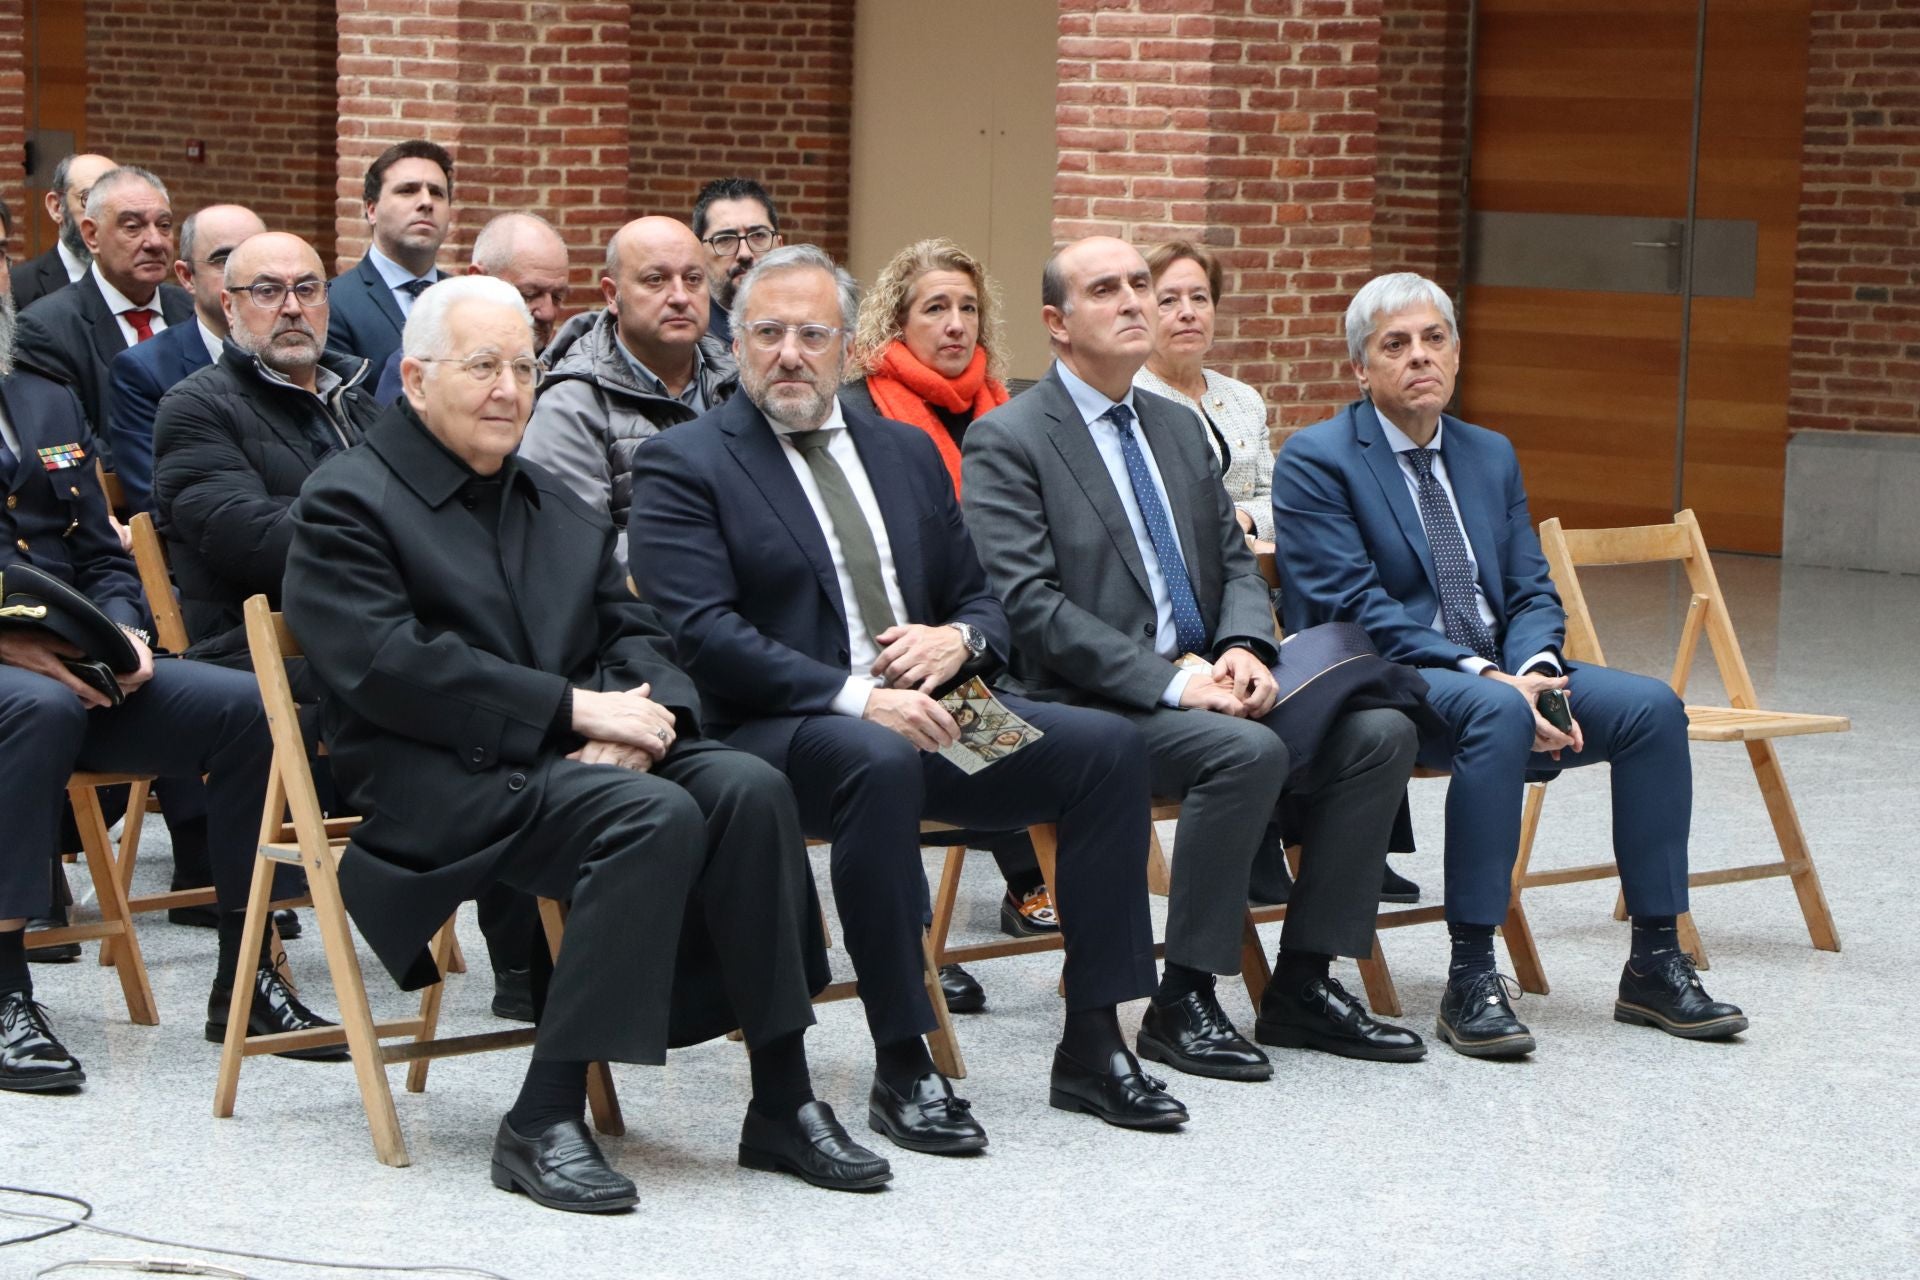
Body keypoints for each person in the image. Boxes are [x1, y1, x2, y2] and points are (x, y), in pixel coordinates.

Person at [284, 275, 889, 1212]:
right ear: (412, 379)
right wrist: (570, 714)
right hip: (435, 775)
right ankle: (542, 1114)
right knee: (644, 818)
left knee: (745, 785)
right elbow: (389, 666)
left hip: (567, 758)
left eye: (525, 366)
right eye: (482, 365)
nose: (509, 388)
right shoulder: (345, 501)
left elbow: (637, 634)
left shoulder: (548, 498)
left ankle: (781, 1098)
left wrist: (645, 724)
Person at [631, 245, 1188, 1155]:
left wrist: (960, 640)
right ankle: (904, 1060)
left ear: (849, 347)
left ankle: (1094, 1041)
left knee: (1104, 751)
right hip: (781, 731)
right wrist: (857, 698)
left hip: (941, 712)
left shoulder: (902, 451)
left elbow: (984, 597)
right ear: (735, 346)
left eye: (813, 334)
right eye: (767, 333)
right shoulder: (685, 461)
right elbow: (705, 638)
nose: (789, 354)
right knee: (879, 758)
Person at [962, 237, 1432, 1082]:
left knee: (1380, 734)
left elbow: (1232, 564)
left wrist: (1247, 648)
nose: (1136, 302)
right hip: (1085, 702)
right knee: (1244, 752)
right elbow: (1032, 609)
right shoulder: (1012, 438)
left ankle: (1302, 981)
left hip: (1205, 675)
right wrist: (1179, 682)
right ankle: (1184, 1000)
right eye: (1106, 290)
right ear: (1056, 324)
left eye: (1140, 284)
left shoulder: (1179, 427)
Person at [1272, 271, 1749, 1058]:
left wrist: (1534, 665)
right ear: (1361, 368)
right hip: (1395, 682)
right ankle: (1471, 976)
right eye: (1396, 345)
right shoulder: (1319, 459)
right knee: (1495, 712)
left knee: (1654, 709)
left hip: (1506, 671)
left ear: (1456, 353)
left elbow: (1530, 586)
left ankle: (1657, 962)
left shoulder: (1488, 453)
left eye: (1435, 339)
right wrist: (1492, 678)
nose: (1420, 357)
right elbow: (1355, 610)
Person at [1, 206, 340, 1093]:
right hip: (19, 673)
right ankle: (4, 989)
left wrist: (122, 635)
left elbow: (100, 548)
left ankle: (249, 975)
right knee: (32, 707)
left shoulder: (39, 397)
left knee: (248, 712)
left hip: (81, 660)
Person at [1133, 239, 1421, 909]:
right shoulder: (1132, 400)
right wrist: (1227, 518)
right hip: (1184, 603)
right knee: (1274, 682)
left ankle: (1354, 841)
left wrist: (1243, 517)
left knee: (1353, 662)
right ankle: (1264, 840)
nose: (1185, 313)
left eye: (1199, 298)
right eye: (1169, 299)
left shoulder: (1241, 399)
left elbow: (1278, 494)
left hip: (1258, 584)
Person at [841, 237, 1055, 1013]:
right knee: (969, 710)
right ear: (895, 320)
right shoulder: (859, 409)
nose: (956, 324)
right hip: (898, 637)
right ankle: (921, 937)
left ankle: (1044, 889)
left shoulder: (1008, 407)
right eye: (935, 308)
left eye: (968, 308)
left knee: (1070, 718)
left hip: (997, 618)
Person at [520, 216, 737, 569]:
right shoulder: (570, 404)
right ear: (612, 295)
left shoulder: (740, 384)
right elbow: (574, 550)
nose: (680, 296)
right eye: (656, 280)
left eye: (693, 279)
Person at [15, 166, 194, 455]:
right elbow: (70, 443)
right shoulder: (46, 328)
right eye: (133, 227)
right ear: (92, 235)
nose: (155, 242)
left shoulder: (191, 311)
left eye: (163, 225)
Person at [105, 204, 267, 513]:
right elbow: (156, 500)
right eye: (225, 260)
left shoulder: (295, 357)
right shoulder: (144, 371)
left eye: (257, 260)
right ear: (186, 276)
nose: (246, 276)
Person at [372, 211, 571, 404]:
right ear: (480, 278)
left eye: (557, 297)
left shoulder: (569, 372)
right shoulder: (425, 365)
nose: (548, 312)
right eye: (529, 294)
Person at [324, 140, 453, 372]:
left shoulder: (467, 299)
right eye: (407, 190)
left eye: (437, 193)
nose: (426, 202)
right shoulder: (334, 303)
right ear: (371, 210)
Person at [9, 153, 116, 311]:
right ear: (56, 207)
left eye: (115, 203)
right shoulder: (17, 287)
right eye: (89, 199)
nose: (104, 216)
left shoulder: (145, 284)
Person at [690, 176, 783, 346]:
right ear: (698, 253)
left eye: (758, 236)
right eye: (725, 239)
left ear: (780, 246)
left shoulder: (812, 332)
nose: (745, 253)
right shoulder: (687, 345)